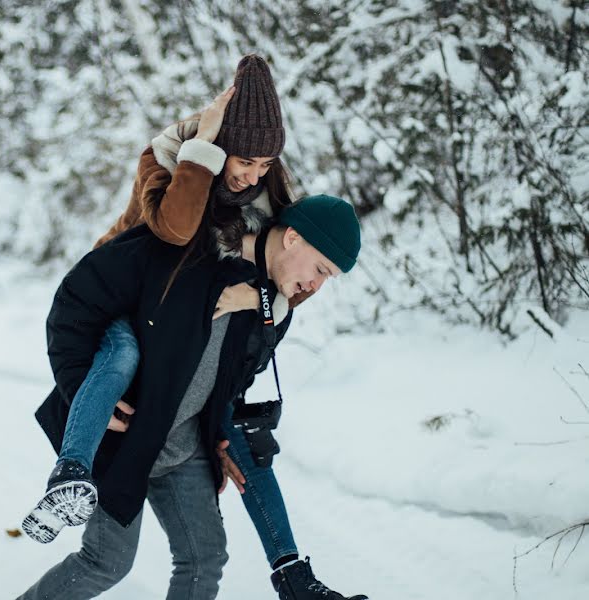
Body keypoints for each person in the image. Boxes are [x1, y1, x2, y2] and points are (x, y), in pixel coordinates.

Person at [20, 56, 368, 600]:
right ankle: (71, 470)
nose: (317, 286)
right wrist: (74, 384)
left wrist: (222, 427)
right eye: (321, 270)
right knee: (105, 562)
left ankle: (295, 579)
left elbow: (231, 379)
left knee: (206, 560)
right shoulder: (178, 239)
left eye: (262, 165)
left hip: (183, 445)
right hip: (130, 428)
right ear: (296, 241)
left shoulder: (273, 299)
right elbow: (78, 300)